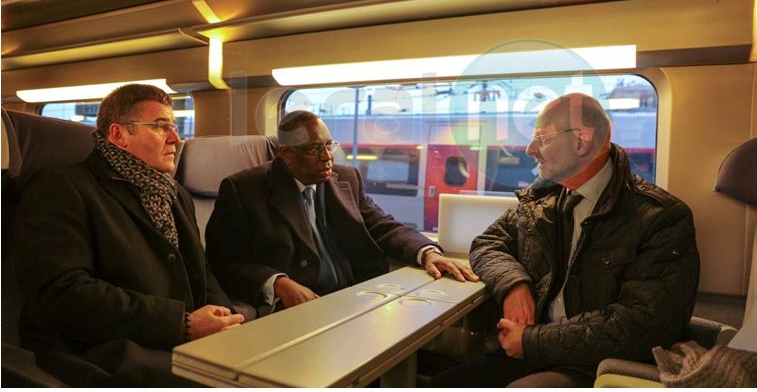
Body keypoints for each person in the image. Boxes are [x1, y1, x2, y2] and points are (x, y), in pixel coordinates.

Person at [430, 93, 700, 387]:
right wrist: (513, 284)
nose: (530, 149)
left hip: (596, 366)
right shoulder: (544, 199)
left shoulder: (661, 218)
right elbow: (487, 243)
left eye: (542, 139)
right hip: (530, 353)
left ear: (582, 142)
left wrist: (533, 341)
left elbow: (642, 326)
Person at [13, 84, 244, 387]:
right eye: (161, 127)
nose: (176, 138)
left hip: (170, 337)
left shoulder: (175, 194)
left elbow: (200, 268)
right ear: (119, 134)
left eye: (173, 127)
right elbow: (62, 293)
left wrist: (222, 315)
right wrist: (181, 324)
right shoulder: (62, 187)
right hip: (101, 347)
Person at [205, 110, 478, 310]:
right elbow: (222, 262)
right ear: (286, 154)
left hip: (358, 292)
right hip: (300, 304)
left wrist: (428, 252)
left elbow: (383, 225)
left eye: (329, 145)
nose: (327, 157)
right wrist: (277, 283)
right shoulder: (244, 190)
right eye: (314, 149)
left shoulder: (345, 178)